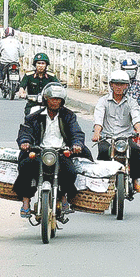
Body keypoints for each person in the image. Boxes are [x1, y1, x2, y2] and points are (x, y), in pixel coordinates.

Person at [13, 83, 92, 218]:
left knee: (70, 172)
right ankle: (26, 202)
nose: (55, 102)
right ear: (46, 99)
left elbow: (76, 132)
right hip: (39, 152)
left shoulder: (69, 116)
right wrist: (25, 142)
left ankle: (63, 196)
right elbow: (25, 132)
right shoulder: (33, 116)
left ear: (62, 101)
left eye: (58, 99)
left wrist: (77, 144)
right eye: (52, 99)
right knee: (25, 167)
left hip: (61, 152)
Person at [92, 70, 140, 194]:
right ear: (111, 85)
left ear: (126, 86)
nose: (118, 87)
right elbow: (99, 119)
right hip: (107, 137)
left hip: (125, 137)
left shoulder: (131, 102)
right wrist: (97, 133)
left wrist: (139, 129)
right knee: (103, 151)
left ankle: (135, 181)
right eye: (116, 84)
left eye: (122, 84)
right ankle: (101, 180)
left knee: (136, 150)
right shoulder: (103, 101)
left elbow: (136, 117)